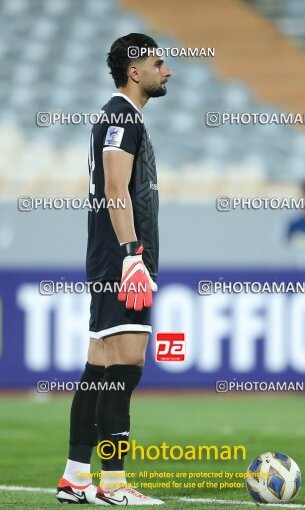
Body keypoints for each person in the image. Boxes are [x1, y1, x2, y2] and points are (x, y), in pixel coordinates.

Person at [56, 33, 171, 505]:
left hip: (109, 258)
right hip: (122, 260)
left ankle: (75, 478)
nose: (166, 70)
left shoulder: (118, 116)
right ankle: (114, 484)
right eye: (157, 62)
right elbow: (115, 185)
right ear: (134, 70)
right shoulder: (123, 116)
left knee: (100, 369)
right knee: (126, 366)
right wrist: (131, 255)